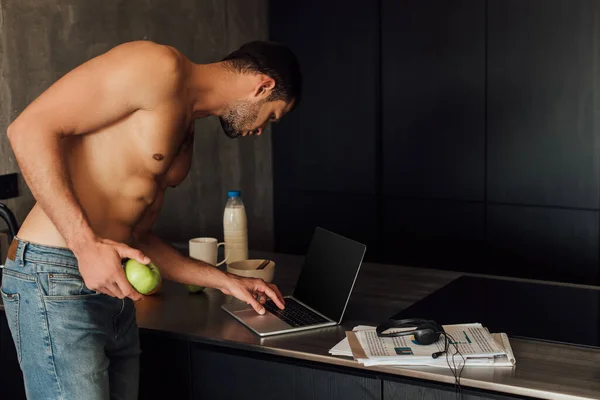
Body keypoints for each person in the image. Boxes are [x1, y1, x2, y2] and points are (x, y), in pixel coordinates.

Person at [3, 39, 302, 400]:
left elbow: (138, 236)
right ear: (263, 86)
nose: (259, 130)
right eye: (271, 116)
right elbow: (28, 128)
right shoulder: (157, 66)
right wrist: (85, 246)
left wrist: (227, 281)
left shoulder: (187, 123)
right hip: (56, 271)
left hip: (114, 281)